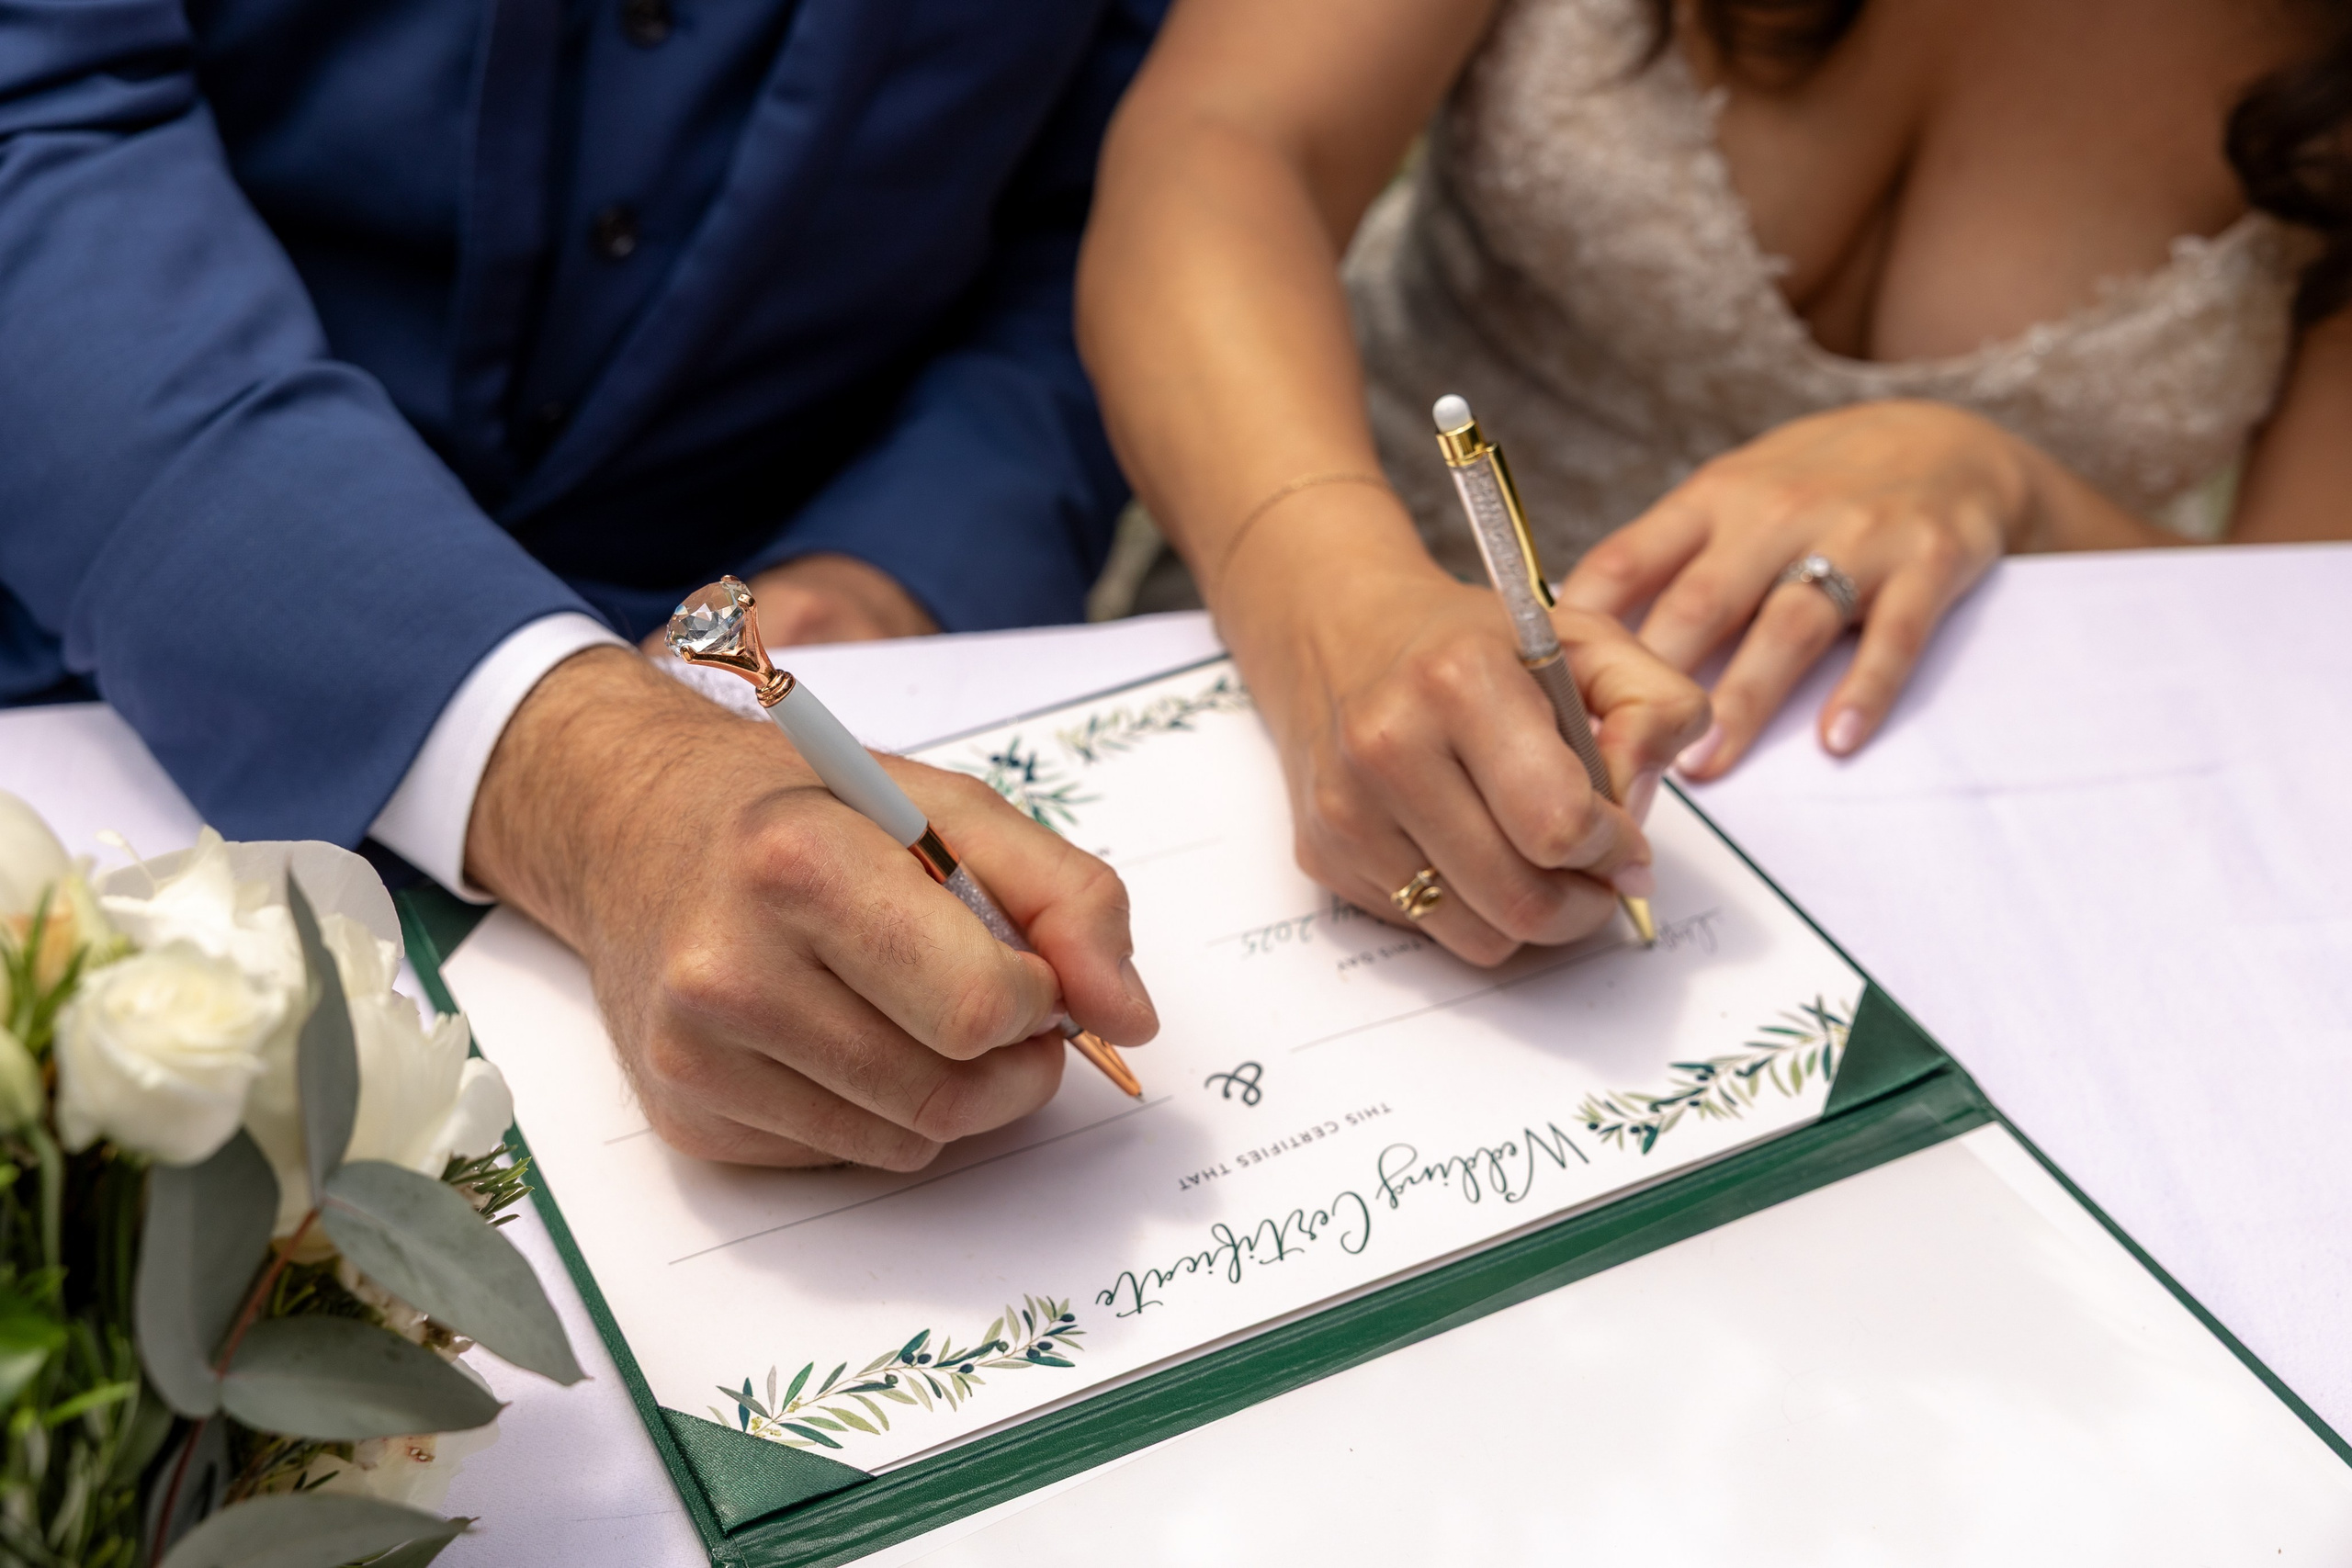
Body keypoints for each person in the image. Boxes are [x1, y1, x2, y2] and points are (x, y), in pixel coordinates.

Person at [0, 0, 1177, 1170]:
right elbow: (31, 124)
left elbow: (1103, 205)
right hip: (104, 659)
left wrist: (899, 563)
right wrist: (590, 777)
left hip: (809, 631)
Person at [1076, 0, 2352, 967]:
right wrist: (1332, 600)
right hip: (1288, 608)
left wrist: (2014, 486)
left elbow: (2308, 627)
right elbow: (1219, 143)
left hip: (1920, 840)